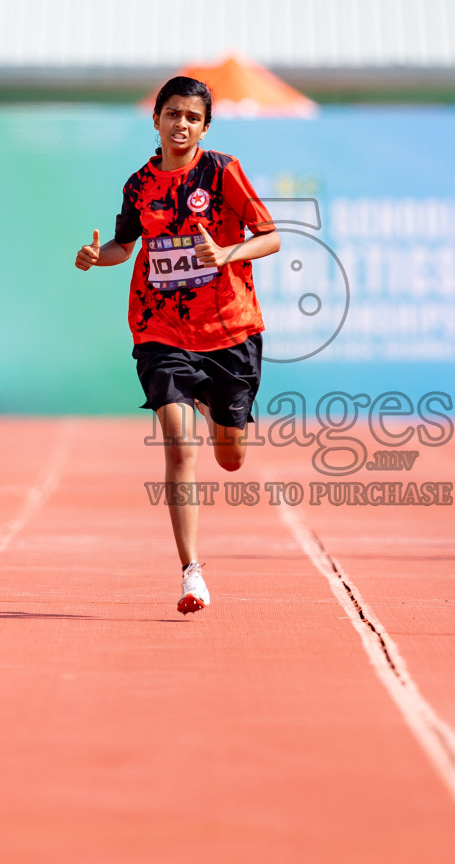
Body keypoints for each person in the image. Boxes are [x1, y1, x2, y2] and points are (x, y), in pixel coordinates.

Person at [75, 75, 281, 615]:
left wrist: (228, 254)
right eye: (172, 114)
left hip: (229, 330)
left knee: (230, 457)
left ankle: (220, 407)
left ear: (204, 126)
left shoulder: (222, 172)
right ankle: (192, 573)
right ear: (157, 119)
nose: (181, 124)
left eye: (192, 117)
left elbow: (272, 236)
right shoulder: (139, 183)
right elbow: (124, 244)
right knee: (178, 442)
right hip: (159, 327)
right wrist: (100, 258)